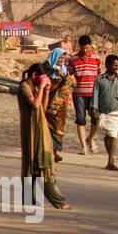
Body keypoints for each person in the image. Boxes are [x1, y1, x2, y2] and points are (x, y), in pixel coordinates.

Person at [17, 65, 72, 211]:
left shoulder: (35, 86)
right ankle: (54, 200)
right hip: (30, 128)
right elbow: (35, 105)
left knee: (40, 161)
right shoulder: (25, 86)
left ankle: (32, 199)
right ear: (35, 75)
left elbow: (43, 106)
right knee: (32, 162)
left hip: (40, 125)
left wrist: (46, 90)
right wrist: (41, 87)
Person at [90, 54, 118, 171]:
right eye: (114, 65)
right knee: (106, 137)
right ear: (107, 65)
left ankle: (110, 161)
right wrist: (94, 108)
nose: (116, 67)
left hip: (115, 112)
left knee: (113, 135)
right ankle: (110, 159)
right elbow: (95, 95)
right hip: (102, 113)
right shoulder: (99, 79)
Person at [67, 35, 101, 155]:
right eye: (82, 48)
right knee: (80, 120)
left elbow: (99, 76)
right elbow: (69, 73)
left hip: (93, 94)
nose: (85, 50)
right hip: (79, 94)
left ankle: (90, 139)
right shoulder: (74, 58)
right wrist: (71, 79)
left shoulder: (96, 58)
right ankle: (84, 148)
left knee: (95, 119)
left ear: (90, 46)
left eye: (87, 48)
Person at [44, 70, 74, 161]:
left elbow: (72, 83)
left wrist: (65, 78)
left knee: (58, 129)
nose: (61, 59)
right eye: (60, 56)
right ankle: (48, 153)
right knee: (47, 129)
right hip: (47, 104)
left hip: (60, 107)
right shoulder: (47, 71)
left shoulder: (65, 71)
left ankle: (55, 152)